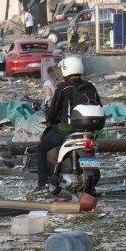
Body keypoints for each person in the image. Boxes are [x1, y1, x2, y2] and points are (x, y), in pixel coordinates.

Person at [31, 56, 100, 196]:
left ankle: (42, 184)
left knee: (41, 148)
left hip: (66, 129)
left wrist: (49, 119)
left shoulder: (63, 87)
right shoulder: (90, 86)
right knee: (91, 152)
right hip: (89, 130)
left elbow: (53, 111)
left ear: (66, 70)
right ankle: (91, 185)